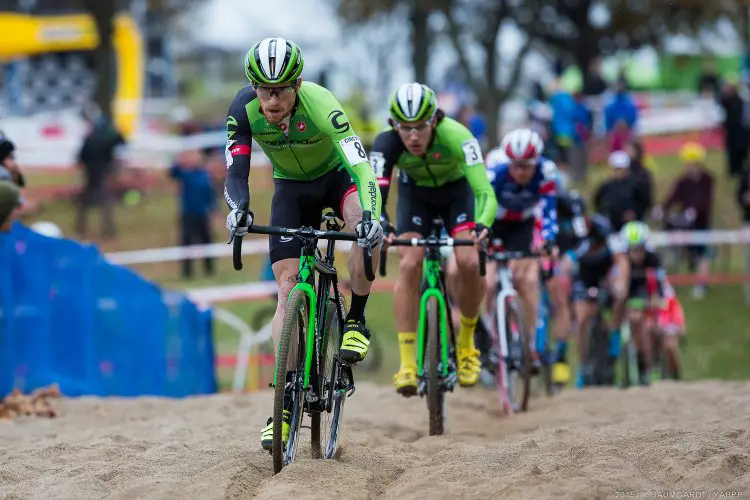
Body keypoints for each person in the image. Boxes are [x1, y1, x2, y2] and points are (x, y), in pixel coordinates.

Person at [223, 37, 383, 451]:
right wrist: (239, 208)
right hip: (291, 191)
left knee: (361, 226)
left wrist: (369, 218)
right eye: (263, 90)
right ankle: (286, 400)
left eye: (280, 90)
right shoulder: (242, 110)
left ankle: (356, 320)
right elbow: (236, 171)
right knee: (287, 288)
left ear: (297, 85)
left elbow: (362, 168)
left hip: (337, 180)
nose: (272, 100)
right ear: (253, 88)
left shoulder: (322, 104)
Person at [371, 82, 496, 395]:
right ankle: (408, 365)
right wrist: (382, 223)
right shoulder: (386, 143)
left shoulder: (458, 136)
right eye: (405, 128)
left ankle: (467, 344)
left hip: (457, 196)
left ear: (435, 120)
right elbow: (376, 194)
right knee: (409, 264)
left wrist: (483, 223)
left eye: (421, 128)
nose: (413, 136)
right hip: (416, 199)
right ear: (394, 125)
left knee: (467, 261)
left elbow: (484, 192)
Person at [485, 128, 559, 372]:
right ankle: (492, 337)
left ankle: (529, 345)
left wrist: (549, 240)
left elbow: (548, 211)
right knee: (488, 281)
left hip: (522, 225)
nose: (520, 172)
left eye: (526, 166)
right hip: (494, 224)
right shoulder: (495, 171)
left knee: (526, 280)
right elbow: (480, 205)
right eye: (515, 166)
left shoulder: (546, 172)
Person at [569, 209, 629, 387]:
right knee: (581, 319)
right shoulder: (571, 232)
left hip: (605, 273)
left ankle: (615, 337)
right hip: (584, 276)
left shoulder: (604, 228)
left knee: (620, 294)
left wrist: (620, 283)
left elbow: (622, 261)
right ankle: (582, 366)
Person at [652, 142, 714, 299]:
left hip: (701, 223)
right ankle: (669, 282)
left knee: (702, 254)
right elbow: (673, 197)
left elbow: (705, 201)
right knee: (675, 250)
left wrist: (694, 212)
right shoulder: (683, 182)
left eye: (693, 164)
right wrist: (661, 209)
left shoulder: (708, 180)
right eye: (688, 164)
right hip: (685, 225)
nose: (690, 167)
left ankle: (701, 285)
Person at [620, 221, 669, 386]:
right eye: (632, 249)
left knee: (651, 328)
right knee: (633, 320)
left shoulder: (654, 259)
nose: (636, 254)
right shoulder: (622, 261)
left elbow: (659, 285)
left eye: (639, 248)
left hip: (648, 296)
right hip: (629, 298)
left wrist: (657, 299)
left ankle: (651, 362)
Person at [74, 104, 126, 240]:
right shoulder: (104, 137)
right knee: (105, 203)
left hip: (91, 174)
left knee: (86, 203)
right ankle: (108, 231)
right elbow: (121, 141)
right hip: (101, 173)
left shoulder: (89, 138)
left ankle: (81, 229)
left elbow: (80, 157)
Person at [169, 145, 217, 279]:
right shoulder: (185, 174)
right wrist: (180, 158)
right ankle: (187, 272)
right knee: (187, 243)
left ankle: (209, 270)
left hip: (202, 214)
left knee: (207, 241)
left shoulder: (204, 175)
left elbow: (210, 193)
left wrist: (214, 209)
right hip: (188, 214)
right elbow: (172, 172)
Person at [593, 150, 640, 230]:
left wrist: (635, 213)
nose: (618, 172)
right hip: (611, 224)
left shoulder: (634, 185)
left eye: (621, 169)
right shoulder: (607, 186)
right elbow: (597, 202)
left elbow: (642, 201)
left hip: (631, 226)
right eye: (616, 169)